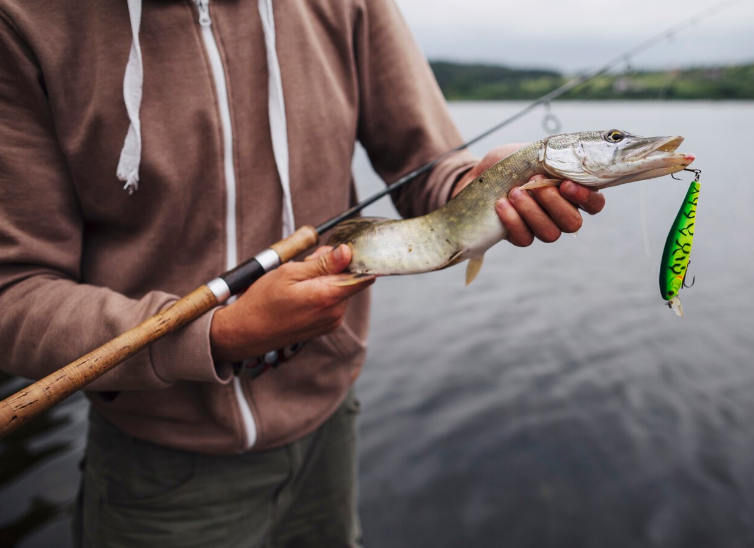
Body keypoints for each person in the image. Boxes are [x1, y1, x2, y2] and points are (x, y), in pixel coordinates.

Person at [0, 0, 604, 546]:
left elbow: (433, 164)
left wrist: (479, 187)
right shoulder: (25, 20)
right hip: (158, 465)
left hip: (330, 427)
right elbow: (14, 294)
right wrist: (218, 334)